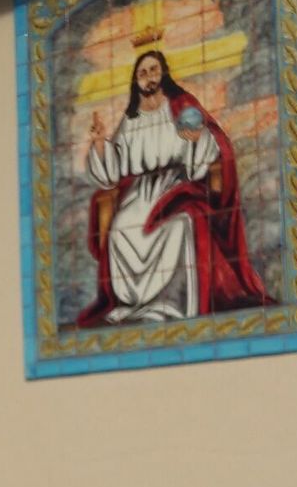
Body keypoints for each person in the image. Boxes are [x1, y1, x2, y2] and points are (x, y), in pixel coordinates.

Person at [77, 48, 273, 327]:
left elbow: (209, 148)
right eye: (142, 73)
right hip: (140, 192)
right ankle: (135, 305)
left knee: (179, 225)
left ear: (163, 74)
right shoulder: (131, 119)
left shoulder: (181, 106)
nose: (149, 77)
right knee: (121, 229)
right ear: (136, 81)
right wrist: (99, 143)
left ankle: (171, 303)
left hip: (177, 185)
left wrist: (196, 138)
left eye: (153, 71)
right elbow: (113, 170)